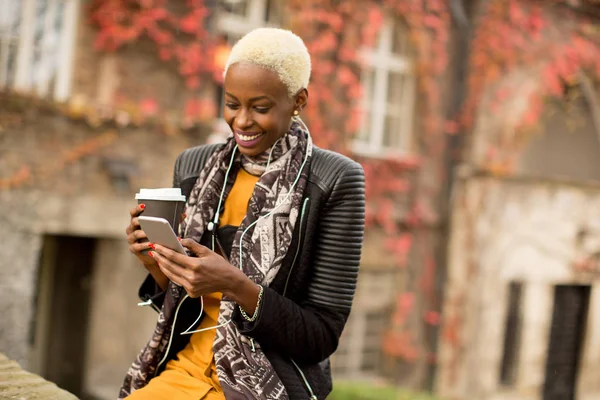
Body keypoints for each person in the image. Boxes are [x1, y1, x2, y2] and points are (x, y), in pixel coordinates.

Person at [121, 27, 365, 400]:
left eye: (261, 108)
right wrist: (157, 264)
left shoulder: (334, 181)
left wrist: (235, 285)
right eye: (232, 104)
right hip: (183, 372)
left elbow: (320, 337)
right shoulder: (195, 167)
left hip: (266, 384)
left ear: (298, 100)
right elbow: (177, 309)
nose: (242, 121)